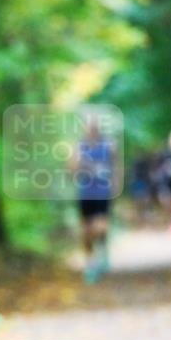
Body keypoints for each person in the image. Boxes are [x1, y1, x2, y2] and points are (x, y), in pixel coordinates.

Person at [71, 113, 118, 283]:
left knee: (101, 227)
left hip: (103, 193)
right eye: (88, 126)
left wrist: (116, 187)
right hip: (85, 194)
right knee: (86, 231)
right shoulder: (79, 147)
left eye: (94, 126)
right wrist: (80, 163)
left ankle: (102, 252)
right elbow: (71, 171)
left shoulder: (109, 145)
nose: (91, 129)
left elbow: (116, 168)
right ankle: (91, 263)